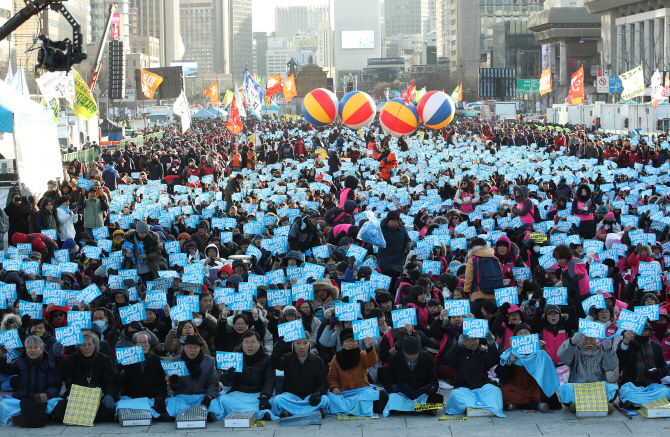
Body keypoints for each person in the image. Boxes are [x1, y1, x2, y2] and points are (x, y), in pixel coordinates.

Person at [52, 331, 119, 423]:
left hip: (97, 396)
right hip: (78, 396)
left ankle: (80, 416)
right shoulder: (74, 357)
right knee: (60, 408)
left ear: (95, 346)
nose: (87, 348)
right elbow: (63, 373)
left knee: (108, 407)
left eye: (89, 344)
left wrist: (110, 394)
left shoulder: (104, 359)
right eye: (83, 345)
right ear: (79, 347)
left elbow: (110, 379)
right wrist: (59, 357)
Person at [497, 323, 561, 413]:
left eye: (526, 332)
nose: (523, 335)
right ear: (515, 337)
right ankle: (537, 405)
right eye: (520, 333)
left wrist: (542, 355)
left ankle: (517, 404)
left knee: (549, 396)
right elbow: (500, 374)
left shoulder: (539, 351)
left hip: (534, 386)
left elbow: (551, 367)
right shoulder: (508, 353)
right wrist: (510, 362)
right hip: (516, 387)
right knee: (503, 394)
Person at [0, 336, 60, 427]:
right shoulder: (20, 362)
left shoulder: (48, 365)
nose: (33, 350)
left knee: (58, 403)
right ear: (26, 350)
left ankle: (22, 417)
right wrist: (1, 357)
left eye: (36, 347)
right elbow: (6, 370)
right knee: (4, 404)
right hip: (22, 401)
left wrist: (46, 395)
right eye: (30, 347)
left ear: (42, 349)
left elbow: (55, 386)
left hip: (42, 402)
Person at [326, 328, 387, 416]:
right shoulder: (337, 358)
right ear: (342, 344)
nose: (351, 343)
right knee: (330, 397)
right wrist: (334, 388)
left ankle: (349, 409)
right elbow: (332, 377)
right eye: (347, 340)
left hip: (362, 390)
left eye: (353, 340)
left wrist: (369, 347)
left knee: (375, 395)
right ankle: (357, 408)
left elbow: (371, 362)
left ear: (358, 343)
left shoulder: (362, 355)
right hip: (344, 392)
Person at [443, 332, 505, 417]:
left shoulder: (483, 353)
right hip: (464, 389)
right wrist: (458, 345)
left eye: (475, 339)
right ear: (464, 341)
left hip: (483, 388)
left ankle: (474, 406)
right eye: (469, 340)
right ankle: (476, 406)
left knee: (496, 391)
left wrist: (491, 344)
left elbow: (493, 361)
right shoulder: (459, 353)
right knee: (455, 394)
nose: (472, 343)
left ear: (479, 340)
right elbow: (448, 359)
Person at [219, 331, 277, 420]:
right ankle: (260, 414)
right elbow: (225, 383)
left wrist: (264, 396)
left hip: (258, 394)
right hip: (238, 395)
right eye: (246, 342)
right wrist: (227, 376)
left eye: (253, 342)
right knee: (222, 400)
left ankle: (261, 413)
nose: (249, 345)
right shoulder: (233, 357)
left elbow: (270, 380)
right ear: (242, 344)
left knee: (274, 402)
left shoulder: (268, 358)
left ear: (259, 343)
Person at [557, 331, 618, 412]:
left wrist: (608, 350)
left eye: (592, 339)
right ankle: (597, 404)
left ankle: (579, 404)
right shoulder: (575, 351)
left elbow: (612, 366)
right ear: (580, 341)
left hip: (597, 390)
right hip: (578, 389)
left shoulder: (601, 352)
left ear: (596, 341)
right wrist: (571, 342)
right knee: (566, 389)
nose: (589, 342)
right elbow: (561, 355)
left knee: (612, 389)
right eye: (585, 340)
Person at [270, 334, 329, 418]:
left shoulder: (317, 360)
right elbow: (275, 364)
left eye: (305, 343)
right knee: (277, 400)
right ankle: (313, 412)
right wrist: (277, 350)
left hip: (310, 396)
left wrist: (318, 393)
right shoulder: (287, 358)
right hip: (291, 397)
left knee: (325, 400)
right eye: (298, 343)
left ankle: (290, 412)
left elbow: (323, 382)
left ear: (309, 343)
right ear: (293, 344)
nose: (302, 347)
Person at [382, 336, 442, 416]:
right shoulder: (394, 359)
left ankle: (406, 409)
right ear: (403, 351)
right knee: (393, 397)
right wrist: (392, 387)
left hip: (421, 393)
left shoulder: (428, 359)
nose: (412, 357)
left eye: (415, 354)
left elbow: (433, 379)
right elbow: (388, 380)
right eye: (409, 355)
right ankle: (418, 409)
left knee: (437, 399)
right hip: (402, 394)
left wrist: (433, 388)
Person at [117, 331, 169, 420]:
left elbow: (161, 384)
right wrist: (122, 372)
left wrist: (160, 397)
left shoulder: (157, 361)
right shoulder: (125, 361)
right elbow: (120, 383)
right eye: (140, 342)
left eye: (145, 342)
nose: (143, 345)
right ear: (134, 345)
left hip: (150, 398)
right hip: (132, 399)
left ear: (149, 344)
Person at [617, 322, 669, 409]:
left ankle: (636, 403)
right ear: (634, 332)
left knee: (666, 391)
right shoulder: (625, 344)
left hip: (652, 386)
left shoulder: (657, 347)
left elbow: (664, 369)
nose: (643, 333)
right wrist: (626, 341)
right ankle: (649, 402)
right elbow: (619, 361)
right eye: (640, 330)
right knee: (625, 391)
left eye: (646, 331)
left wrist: (656, 372)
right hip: (632, 386)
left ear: (649, 332)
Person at [167, 335, 219, 422]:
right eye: (189, 347)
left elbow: (213, 382)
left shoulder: (210, 361)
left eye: (195, 347)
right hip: (183, 396)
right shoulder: (176, 361)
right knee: (172, 402)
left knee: (215, 403)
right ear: (184, 348)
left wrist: (208, 397)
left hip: (202, 396)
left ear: (200, 348)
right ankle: (196, 414)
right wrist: (174, 383)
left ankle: (207, 414)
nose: (192, 350)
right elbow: (173, 388)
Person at [377, 211, 412, 291]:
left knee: (397, 276)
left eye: (395, 221)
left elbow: (408, 240)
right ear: (387, 221)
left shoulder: (402, 228)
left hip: (399, 258)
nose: (394, 224)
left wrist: (408, 247)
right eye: (391, 222)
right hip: (386, 257)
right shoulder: (381, 228)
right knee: (391, 274)